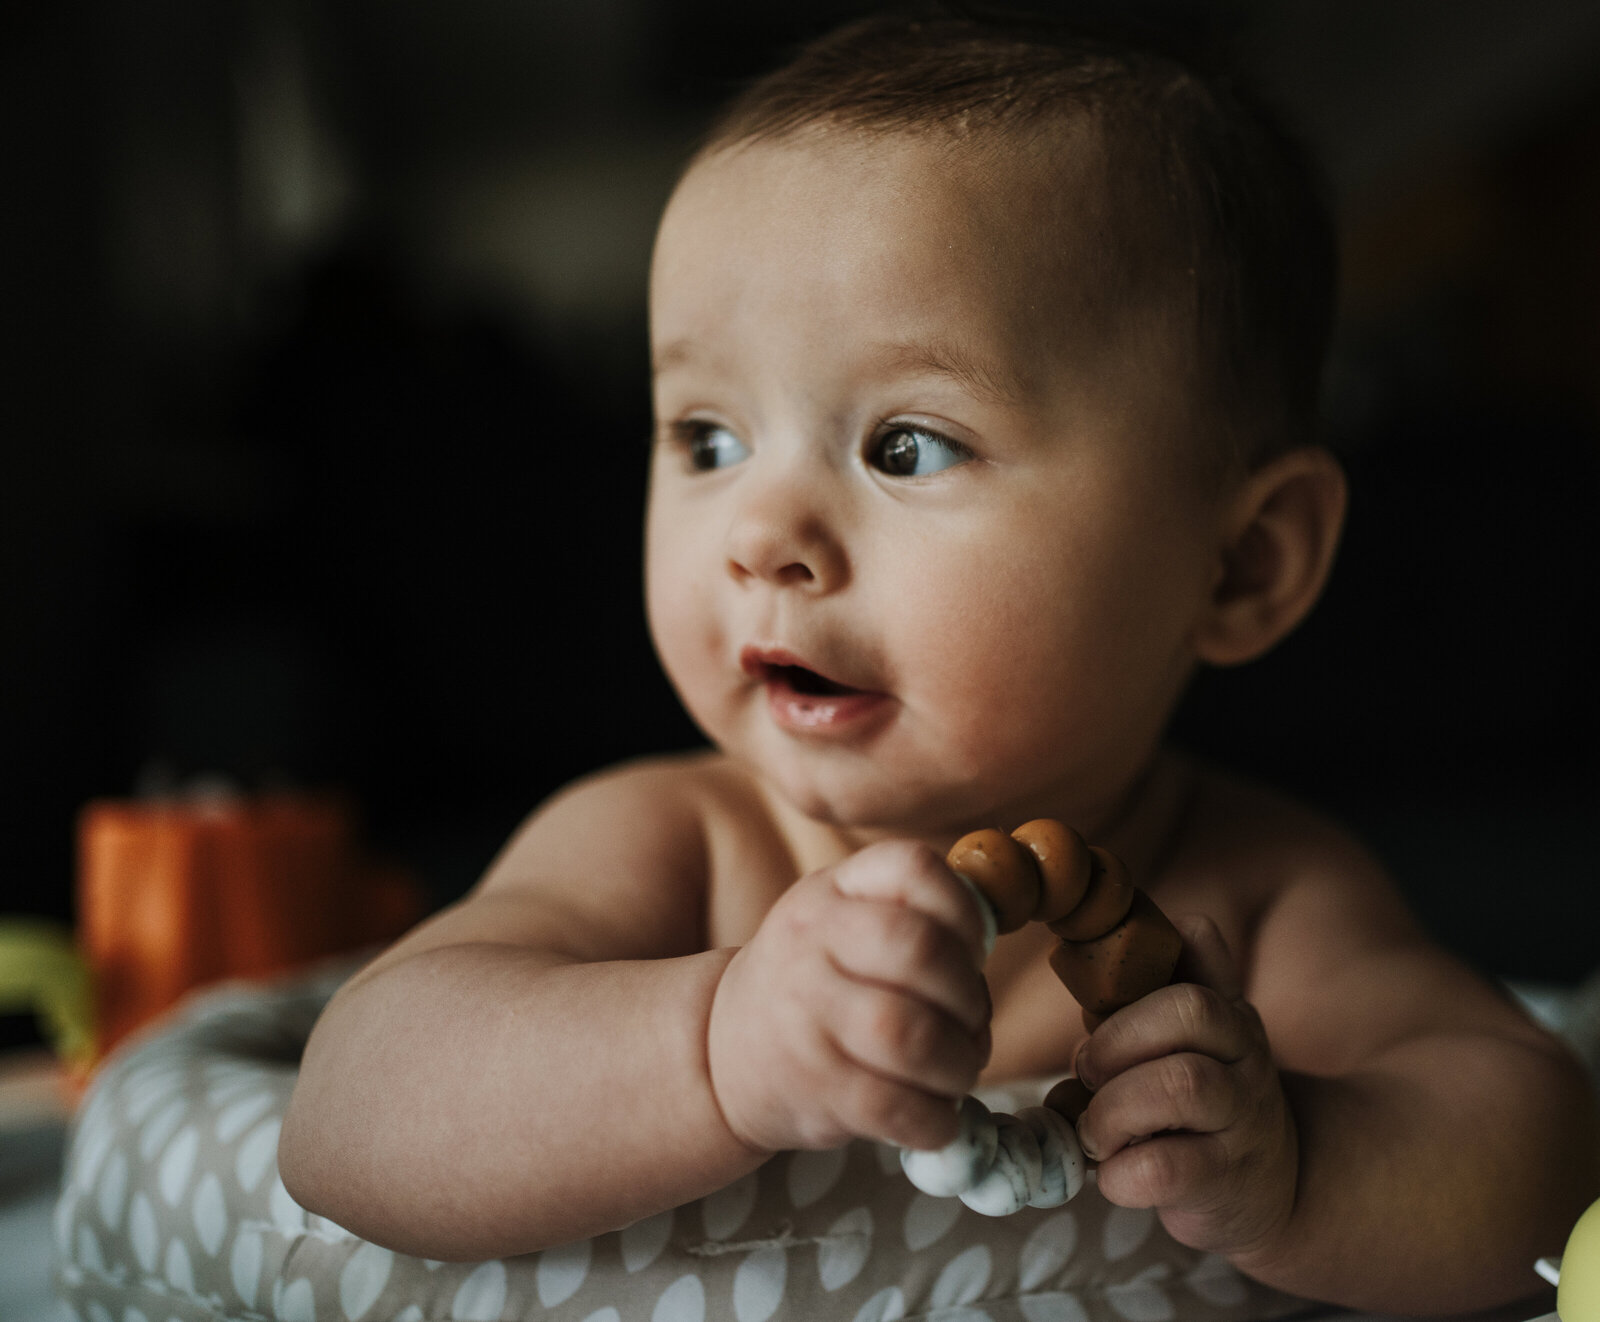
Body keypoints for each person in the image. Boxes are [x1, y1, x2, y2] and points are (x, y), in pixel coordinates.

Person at [279, 11, 1598, 1311]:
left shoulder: (1258, 898)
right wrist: (718, 1044)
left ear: (1242, 565)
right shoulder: (675, 846)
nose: (763, 535)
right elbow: (348, 1113)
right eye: (705, 438)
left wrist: (1301, 1162)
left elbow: (1541, 1161)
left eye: (907, 444)